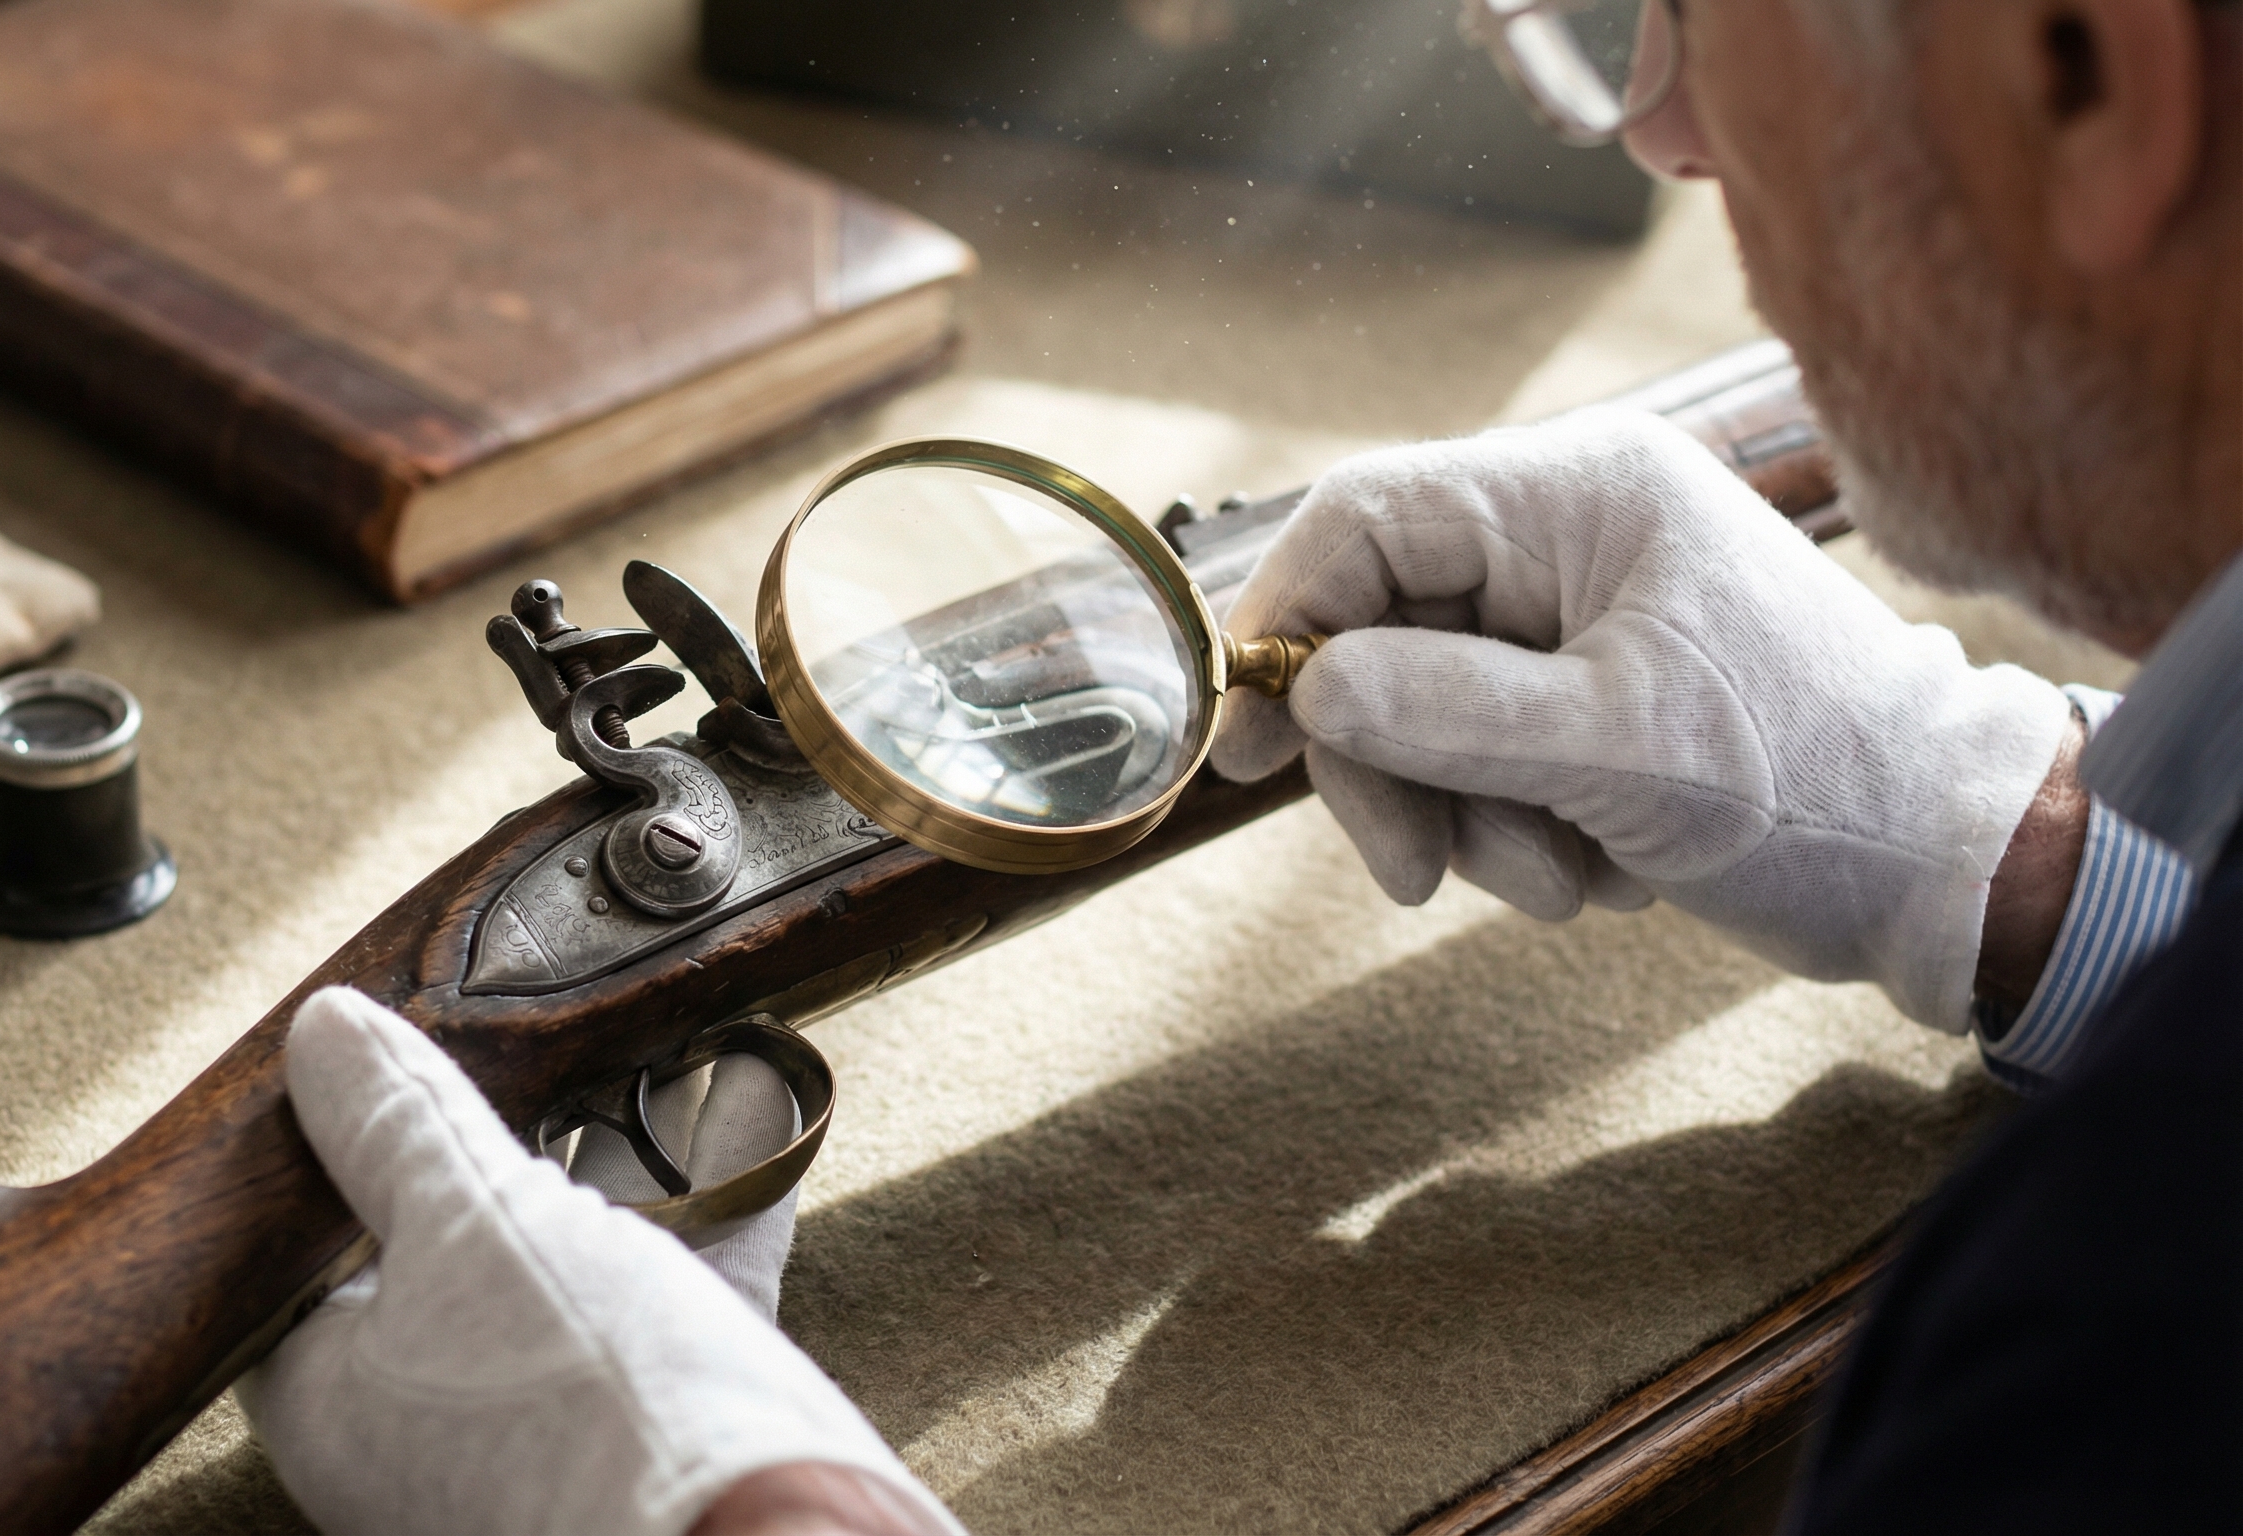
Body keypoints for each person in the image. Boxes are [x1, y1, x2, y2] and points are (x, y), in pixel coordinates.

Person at [237, 0, 2243, 1527]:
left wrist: (744, 1501)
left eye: (1691, 3)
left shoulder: (2106, 1307)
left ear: (2084, 71)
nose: (1659, 126)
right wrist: (2031, 857)